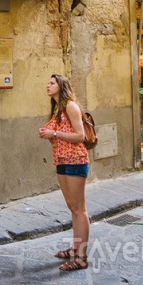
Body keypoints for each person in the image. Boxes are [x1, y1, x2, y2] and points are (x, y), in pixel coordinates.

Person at [39, 74, 90, 271]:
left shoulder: (70, 106)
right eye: (48, 82)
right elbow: (58, 136)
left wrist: (54, 134)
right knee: (72, 208)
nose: (48, 85)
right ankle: (75, 249)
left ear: (61, 86)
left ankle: (81, 257)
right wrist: (48, 135)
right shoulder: (57, 109)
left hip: (75, 161)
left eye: (51, 83)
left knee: (79, 209)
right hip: (61, 161)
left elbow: (80, 136)